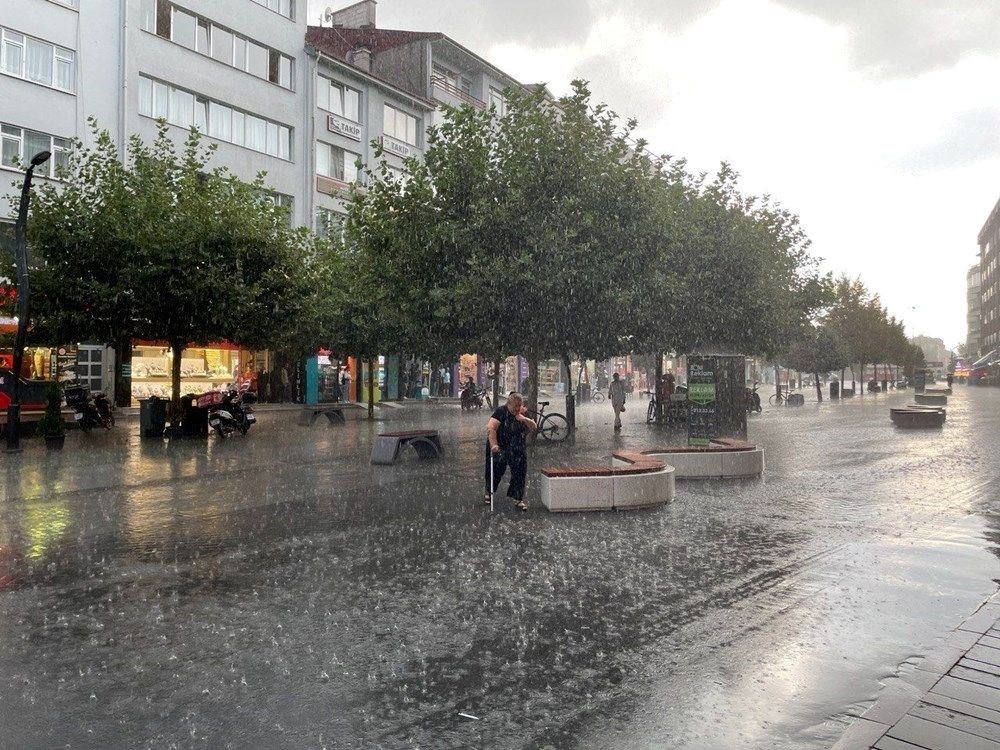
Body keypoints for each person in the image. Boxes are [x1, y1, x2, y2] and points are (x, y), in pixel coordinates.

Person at [484, 392, 537, 512]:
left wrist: (524, 419)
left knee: (519, 471)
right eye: (515, 406)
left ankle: (518, 498)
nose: (517, 408)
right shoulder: (501, 412)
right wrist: (494, 445)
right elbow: (491, 428)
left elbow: (533, 426)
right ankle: (489, 491)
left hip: (517, 446)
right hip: (500, 445)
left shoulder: (522, 413)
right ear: (509, 404)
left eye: (520, 405)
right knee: (496, 470)